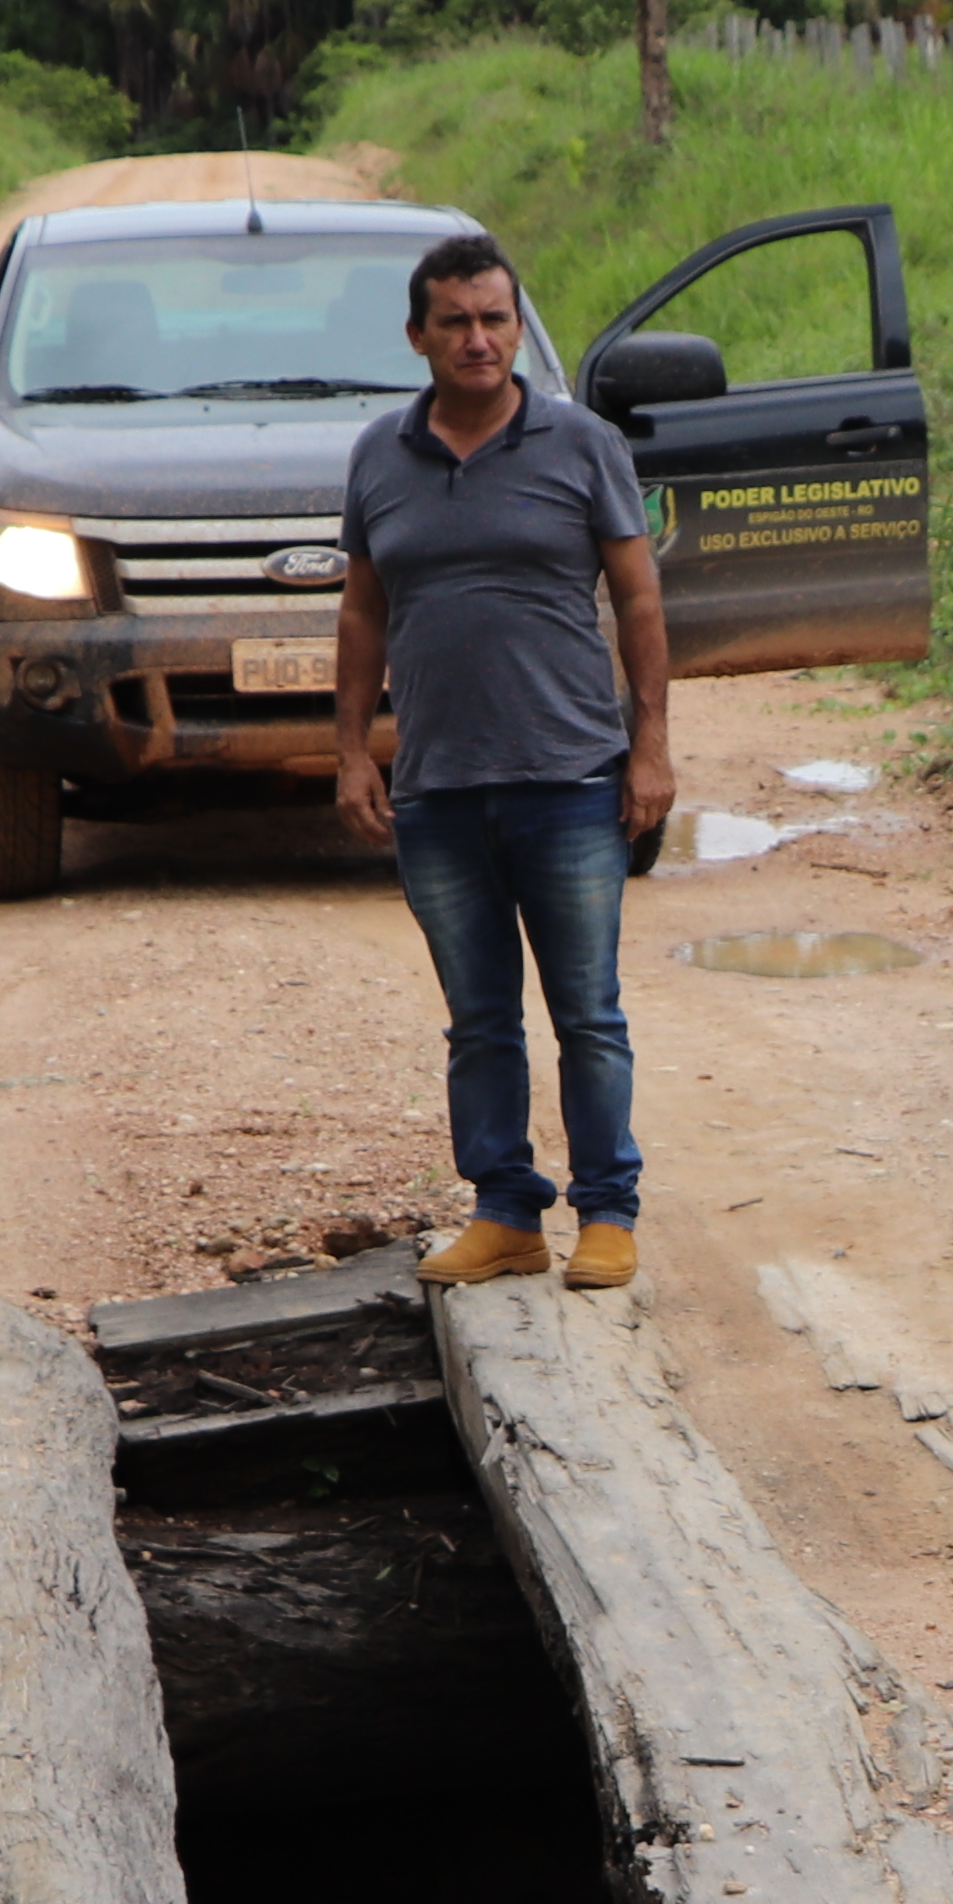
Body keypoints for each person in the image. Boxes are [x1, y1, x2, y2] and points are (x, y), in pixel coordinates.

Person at [328, 229, 672, 1291]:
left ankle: (606, 1213)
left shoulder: (580, 444)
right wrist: (350, 752)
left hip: (569, 778)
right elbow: (362, 607)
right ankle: (506, 1212)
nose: (478, 340)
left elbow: (639, 597)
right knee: (479, 1022)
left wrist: (649, 744)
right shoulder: (380, 456)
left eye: (495, 319)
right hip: (436, 788)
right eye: (456, 322)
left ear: (518, 328)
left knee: (587, 1013)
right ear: (418, 335)